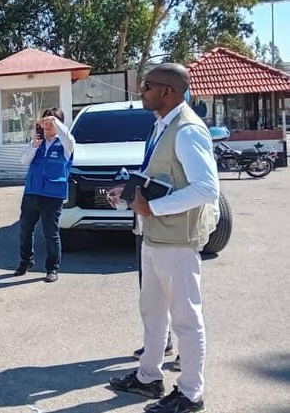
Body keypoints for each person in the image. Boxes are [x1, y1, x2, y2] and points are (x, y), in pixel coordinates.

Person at [107, 63, 219, 413]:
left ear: (168, 91)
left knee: (185, 318)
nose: (141, 91)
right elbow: (160, 176)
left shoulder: (187, 130)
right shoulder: (162, 124)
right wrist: (127, 193)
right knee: (153, 312)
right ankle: (148, 377)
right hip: (155, 236)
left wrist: (154, 209)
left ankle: (190, 394)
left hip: (177, 239)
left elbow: (206, 188)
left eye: (147, 85)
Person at [14, 107, 75, 283]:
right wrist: (34, 144)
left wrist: (55, 121)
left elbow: (68, 137)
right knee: (25, 230)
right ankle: (26, 261)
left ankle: (52, 268)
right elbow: (24, 160)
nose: (47, 125)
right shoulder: (37, 142)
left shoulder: (65, 144)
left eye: (52, 122)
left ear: (60, 124)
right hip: (32, 192)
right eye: (45, 122)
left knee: (51, 233)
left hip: (52, 195)